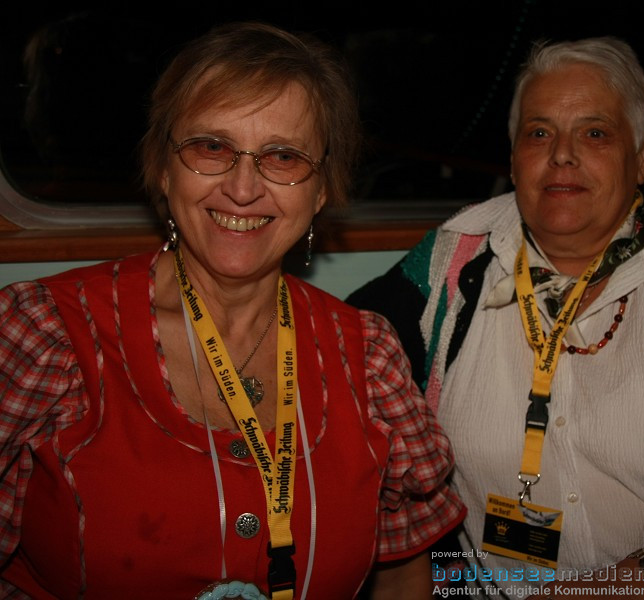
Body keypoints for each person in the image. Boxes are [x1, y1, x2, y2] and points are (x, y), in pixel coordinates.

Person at [348, 38, 644, 599]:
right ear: (512, 157)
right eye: (538, 133)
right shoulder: (450, 260)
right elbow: (340, 344)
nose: (561, 154)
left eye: (595, 133)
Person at [0, 22, 464, 599]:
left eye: (284, 157)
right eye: (211, 147)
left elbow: (403, 574)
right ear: (164, 168)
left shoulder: (368, 355)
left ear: (321, 191)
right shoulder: (44, 334)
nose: (243, 188)